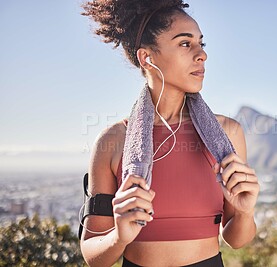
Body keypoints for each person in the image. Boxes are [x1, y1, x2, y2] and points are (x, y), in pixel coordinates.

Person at [80, 1, 260, 266]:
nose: (202, 55)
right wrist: (119, 236)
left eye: (202, 44)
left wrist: (245, 212)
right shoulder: (113, 140)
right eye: (185, 44)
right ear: (147, 57)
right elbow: (93, 256)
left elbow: (236, 239)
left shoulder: (227, 134)